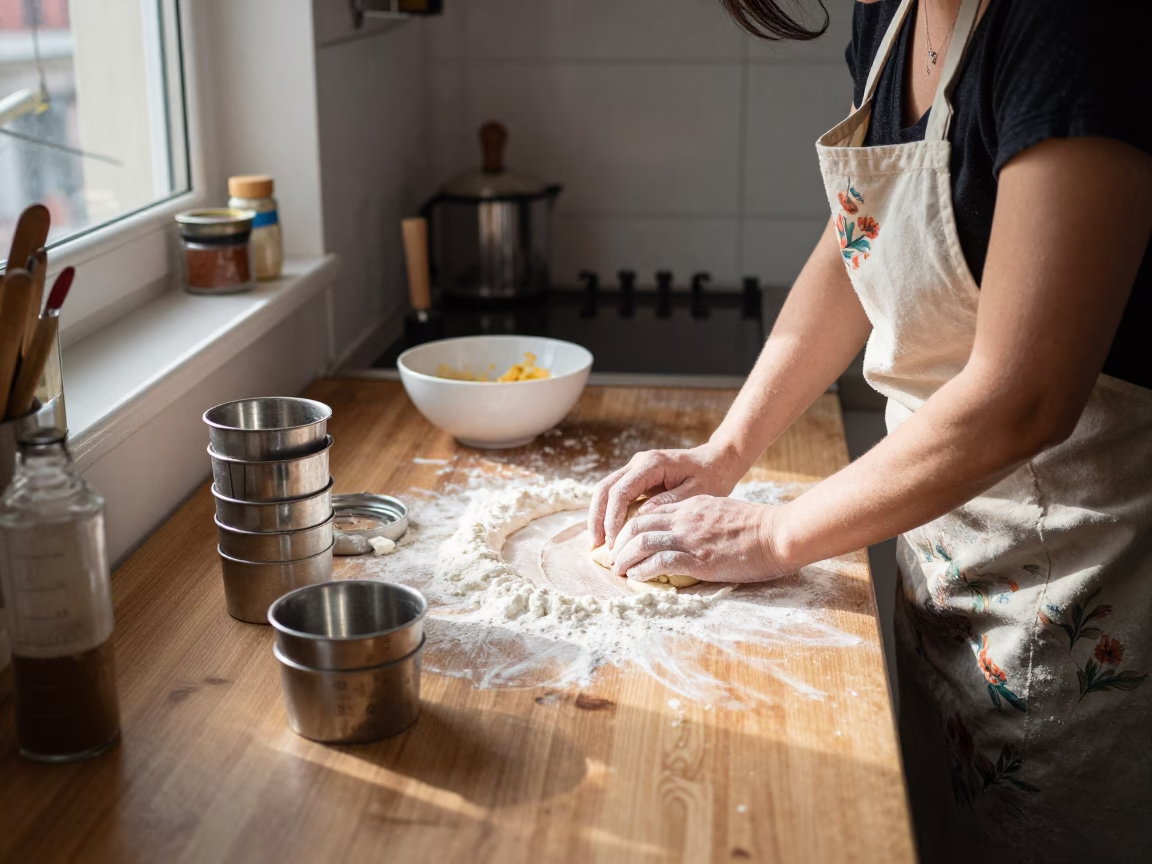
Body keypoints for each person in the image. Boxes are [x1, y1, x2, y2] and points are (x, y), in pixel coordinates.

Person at [586, 0, 1152, 860]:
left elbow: (1026, 394)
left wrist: (776, 531)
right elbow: (860, 239)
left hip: (1090, 598)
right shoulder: (890, 15)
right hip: (945, 570)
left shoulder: (1072, 25)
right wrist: (725, 454)